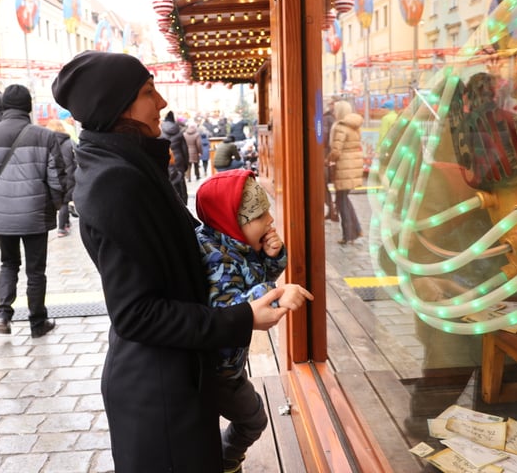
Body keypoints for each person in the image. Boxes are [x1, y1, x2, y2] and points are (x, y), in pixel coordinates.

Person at [51, 50, 288, 473]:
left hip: (171, 378)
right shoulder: (117, 184)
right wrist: (241, 318)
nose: (161, 102)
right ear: (115, 106)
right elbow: (137, 314)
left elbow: (185, 263)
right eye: (147, 92)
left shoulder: (129, 166)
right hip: (158, 395)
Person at [195, 169, 314, 473]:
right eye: (261, 215)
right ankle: (227, 460)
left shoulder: (231, 246)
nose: (271, 220)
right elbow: (231, 311)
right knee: (254, 419)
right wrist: (275, 291)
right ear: (234, 221)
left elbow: (248, 284)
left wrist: (270, 259)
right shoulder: (215, 259)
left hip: (226, 365)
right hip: (218, 371)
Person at [0, 84, 65, 338]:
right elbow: (57, 179)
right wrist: (52, 205)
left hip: (1, 216)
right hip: (36, 215)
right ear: (28, 107)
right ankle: (37, 322)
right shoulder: (45, 136)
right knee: (36, 270)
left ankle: (2, 315)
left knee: (8, 263)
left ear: (3, 107)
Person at [329, 99, 365, 244]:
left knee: (341, 201)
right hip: (352, 166)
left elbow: (336, 150)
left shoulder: (340, 127)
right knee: (344, 199)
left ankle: (348, 234)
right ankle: (356, 230)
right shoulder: (354, 126)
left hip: (344, 167)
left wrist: (327, 159)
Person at [45, 119, 77, 237]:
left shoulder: (47, 143)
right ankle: (62, 228)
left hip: (52, 176)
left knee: (61, 201)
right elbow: (77, 160)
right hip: (69, 175)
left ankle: (65, 223)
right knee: (65, 202)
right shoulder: (70, 142)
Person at [161, 110, 188, 202]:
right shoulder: (179, 131)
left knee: (169, 179)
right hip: (179, 158)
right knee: (181, 179)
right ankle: (184, 200)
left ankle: (172, 201)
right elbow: (184, 149)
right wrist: (186, 164)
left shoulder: (160, 131)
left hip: (166, 158)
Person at [322, 98, 338, 222]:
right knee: (327, 184)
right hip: (331, 155)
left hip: (327, 155)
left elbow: (324, 137)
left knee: (324, 183)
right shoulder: (333, 117)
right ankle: (332, 210)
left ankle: (332, 210)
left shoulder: (328, 118)